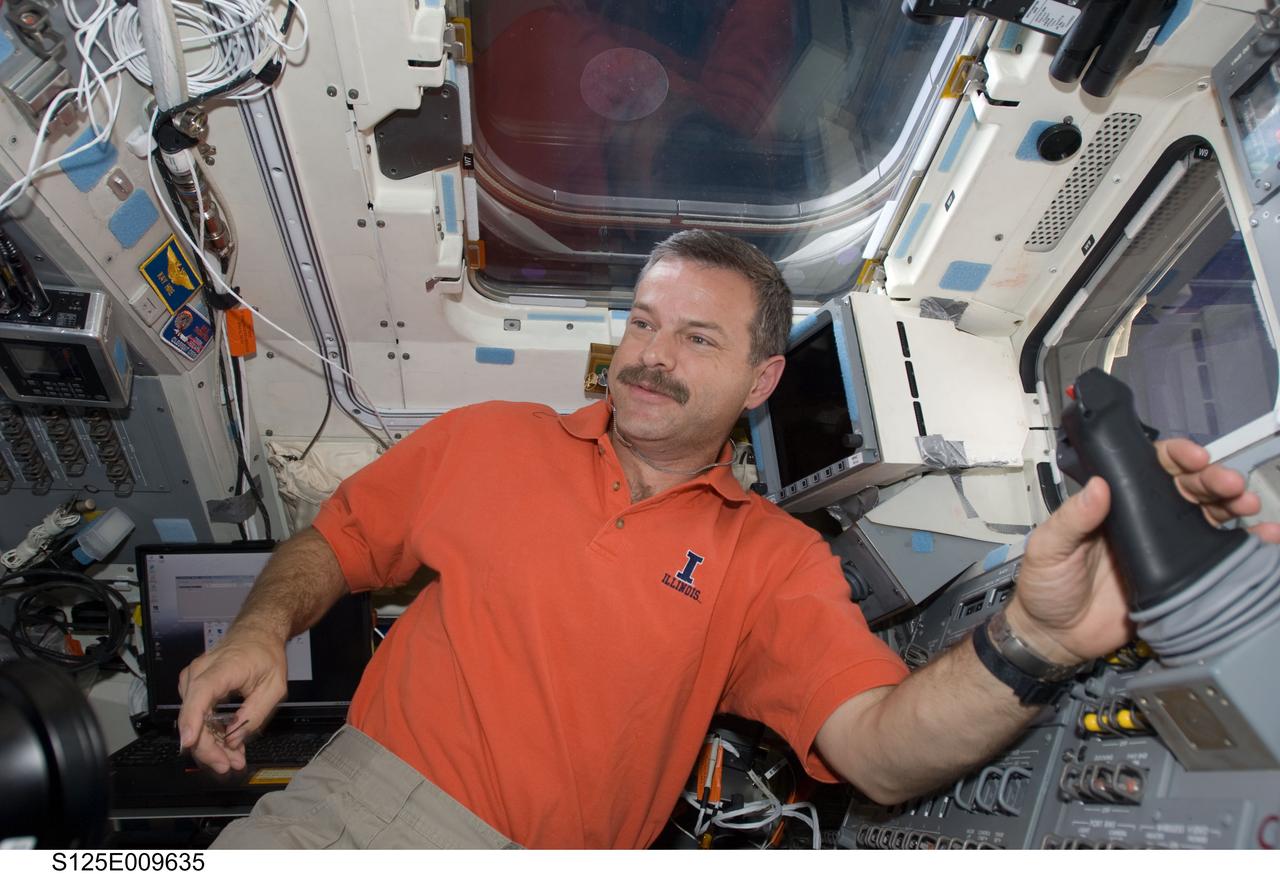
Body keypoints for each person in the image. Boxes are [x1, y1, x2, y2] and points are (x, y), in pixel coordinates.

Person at [181, 230, 1280, 849]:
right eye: (643, 323)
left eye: (697, 339)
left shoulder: (770, 560)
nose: (650, 357)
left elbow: (875, 749)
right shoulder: (487, 438)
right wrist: (260, 630)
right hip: (352, 815)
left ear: (759, 381)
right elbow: (336, 542)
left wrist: (1033, 643)